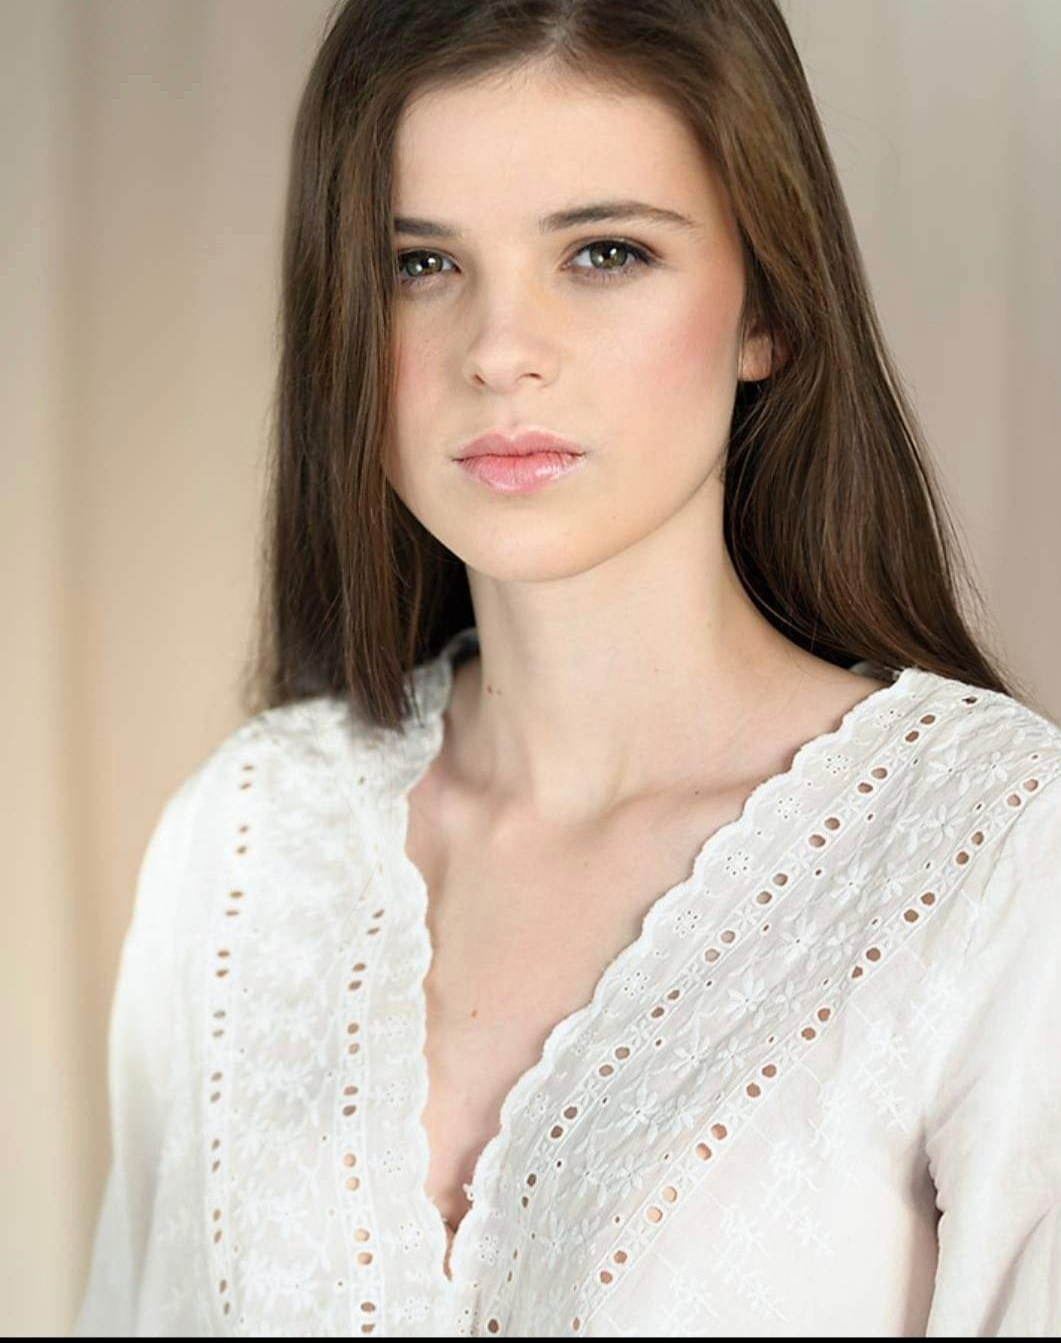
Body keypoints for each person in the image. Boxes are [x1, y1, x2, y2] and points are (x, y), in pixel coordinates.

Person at [74, 0, 1061, 1336]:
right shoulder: (242, 839)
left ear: (767, 305)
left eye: (603, 251)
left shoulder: (995, 852)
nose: (497, 351)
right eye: (421, 265)